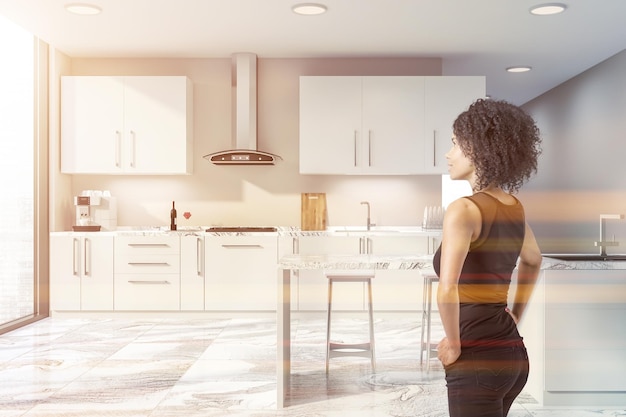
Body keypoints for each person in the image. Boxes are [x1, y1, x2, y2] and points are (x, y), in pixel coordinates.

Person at [433, 98, 543, 417]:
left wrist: (454, 344)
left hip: (476, 357)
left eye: (455, 144)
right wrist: (517, 314)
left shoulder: (464, 209)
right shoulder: (513, 206)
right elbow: (534, 259)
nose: (448, 154)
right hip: (512, 354)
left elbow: (447, 288)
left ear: (478, 148)